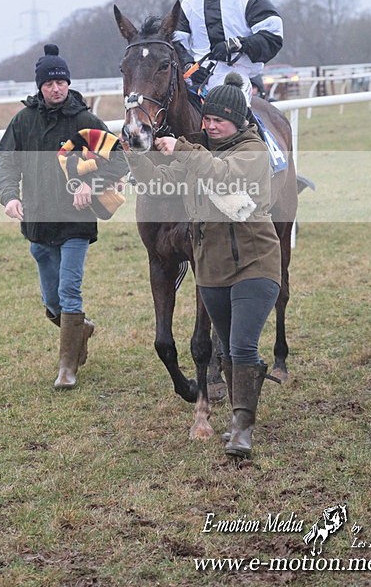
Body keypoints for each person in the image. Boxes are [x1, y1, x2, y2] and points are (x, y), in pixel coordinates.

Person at [123, 72, 281, 459]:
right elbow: (158, 181)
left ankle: (242, 427)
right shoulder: (197, 151)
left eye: (218, 120)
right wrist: (136, 155)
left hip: (256, 264)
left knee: (242, 346)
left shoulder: (253, 152)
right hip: (211, 269)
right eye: (206, 119)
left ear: (238, 121)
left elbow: (223, 177)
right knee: (226, 348)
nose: (209, 126)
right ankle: (238, 411)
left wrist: (183, 148)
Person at [0, 44, 128, 390]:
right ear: (40, 86)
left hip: (75, 224)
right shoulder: (23, 121)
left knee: (69, 291)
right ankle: (80, 328)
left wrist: (92, 184)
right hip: (38, 223)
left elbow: (120, 161)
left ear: (68, 84)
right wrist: (9, 197)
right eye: (50, 84)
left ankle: (66, 370)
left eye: (62, 82)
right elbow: (6, 161)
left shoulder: (84, 120)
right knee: (52, 302)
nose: (57, 89)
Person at [172, 0, 283, 107]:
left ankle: (252, 135)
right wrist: (188, 67)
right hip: (196, 82)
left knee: (228, 120)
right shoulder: (187, 4)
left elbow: (272, 37)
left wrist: (239, 44)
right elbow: (176, 45)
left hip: (236, 80)